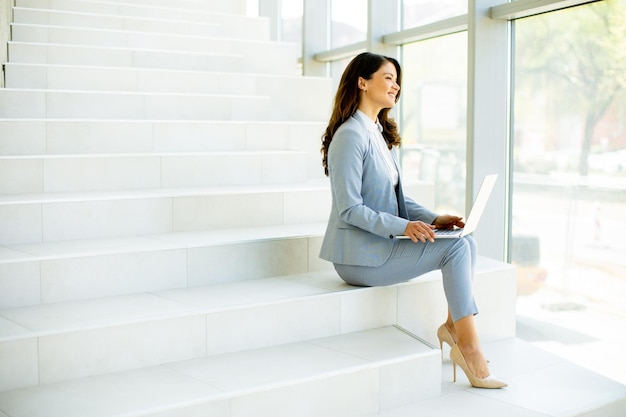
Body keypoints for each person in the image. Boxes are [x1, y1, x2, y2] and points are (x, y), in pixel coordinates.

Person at [319, 52, 506, 389]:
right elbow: (349, 209)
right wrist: (404, 227)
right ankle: (468, 346)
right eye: (388, 77)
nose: (396, 85)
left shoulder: (376, 133)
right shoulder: (349, 135)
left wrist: (435, 218)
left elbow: (397, 201)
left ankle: (453, 329)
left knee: (466, 242)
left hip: (380, 246)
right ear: (362, 82)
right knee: (458, 251)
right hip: (358, 258)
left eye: (396, 78)